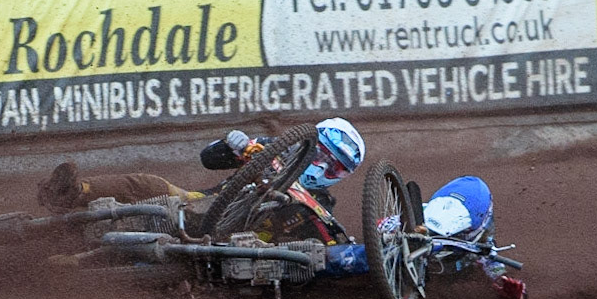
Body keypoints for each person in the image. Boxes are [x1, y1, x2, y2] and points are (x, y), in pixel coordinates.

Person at [36, 117, 365, 243]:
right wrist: (233, 145)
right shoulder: (269, 151)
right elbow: (208, 159)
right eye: (320, 154)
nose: (321, 166)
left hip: (244, 242)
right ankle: (72, 192)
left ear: (340, 176)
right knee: (152, 187)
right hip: (201, 203)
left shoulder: (322, 207)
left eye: (333, 167)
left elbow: (323, 252)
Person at [422, 175, 527, 299]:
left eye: (460, 232)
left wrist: (515, 296)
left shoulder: (482, 249)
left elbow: (499, 274)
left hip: (446, 275)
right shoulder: (419, 216)